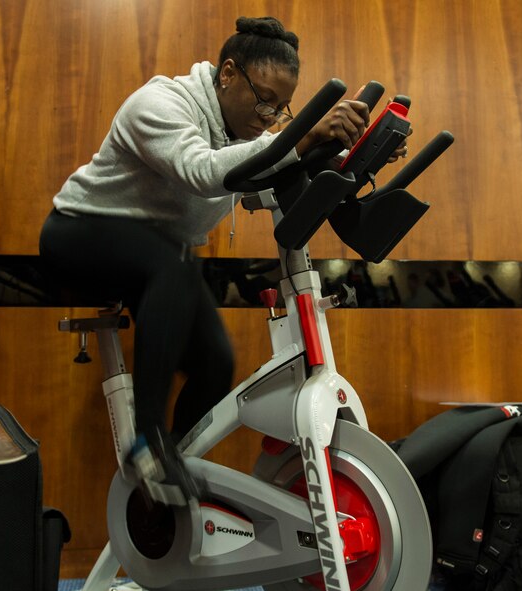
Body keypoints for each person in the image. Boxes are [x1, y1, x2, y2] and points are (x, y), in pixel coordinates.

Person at [39, 16, 405, 506]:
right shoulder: (160, 103)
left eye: (282, 107)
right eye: (264, 100)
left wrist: (353, 154)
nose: (270, 116)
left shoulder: (242, 134)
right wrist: (301, 135)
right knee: (170, 267)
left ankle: (168, 474)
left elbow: (275, 168)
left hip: (154, 256)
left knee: (216, 365)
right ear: (228, 73)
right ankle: (148, 445)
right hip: (77, 237)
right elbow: (202, 171)